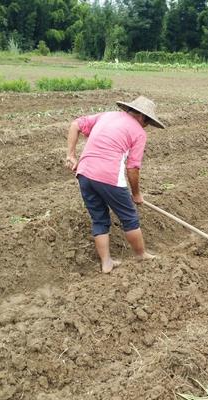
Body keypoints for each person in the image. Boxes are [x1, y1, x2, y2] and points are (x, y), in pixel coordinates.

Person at [65, 96, 165, 273]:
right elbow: (133, 167)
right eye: (147, 121)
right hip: (108, 176)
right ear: (142, 117)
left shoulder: (107, 115)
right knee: (129, 217)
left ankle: (106, 263)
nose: (146, 125)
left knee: (99, 218)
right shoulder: (139, 133)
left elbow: (75, 124)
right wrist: (136, 194)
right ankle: (141, 254)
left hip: (84, 173)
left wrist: (71, 156)